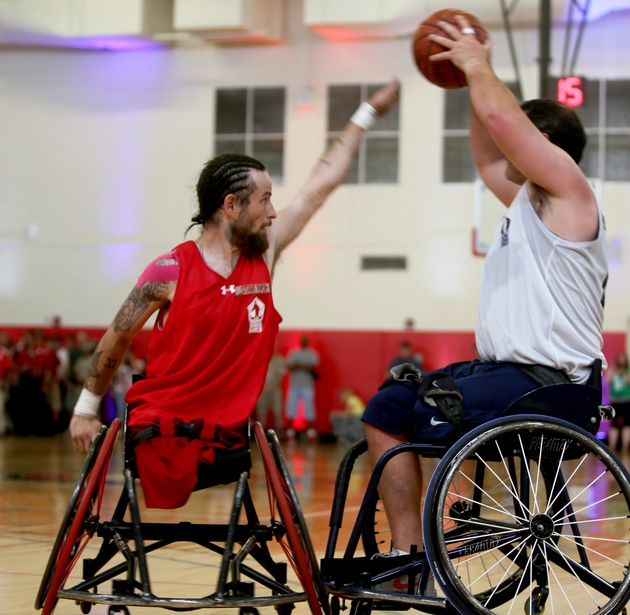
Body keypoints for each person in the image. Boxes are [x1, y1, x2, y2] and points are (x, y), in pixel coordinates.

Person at [68, 80, 401, 511]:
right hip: (165, 424)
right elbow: (117, 336)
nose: (273, 211)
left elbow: (321, 183)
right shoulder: (170, 269)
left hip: (228, 428)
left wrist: (366, 113)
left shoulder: (264, 253)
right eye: (263, 200)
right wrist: (85, 408)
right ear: (231, 206)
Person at [361, 14, 607, 582]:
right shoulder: (526, 202)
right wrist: (464, 80)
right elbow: (486, 154)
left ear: (543, 147)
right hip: (508, 375)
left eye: (517, 139)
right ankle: (408, 558)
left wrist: (478, 63)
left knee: (414, 412)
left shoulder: (570, 193)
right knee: (385, 410)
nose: (504, 147)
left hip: (551, 385)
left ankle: (423, 559)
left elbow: (501, 119)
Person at [285, 335, 319, 439]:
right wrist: (304, 366)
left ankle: (310, 430)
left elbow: (313, 367)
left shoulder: (312, 354)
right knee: (291, 406)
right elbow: (289, 366)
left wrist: (298, 365)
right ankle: (290, 429)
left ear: (307, 342)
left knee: (309, 407)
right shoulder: (293, 353)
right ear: (300, 341)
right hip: (294, 385)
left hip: (307, 385)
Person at [605, 351, 630, 455]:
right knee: (614, 425)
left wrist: (625, 374)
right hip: (615, 400)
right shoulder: (613, 369)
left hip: (626, 400)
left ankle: (625, 447)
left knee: (627, 424)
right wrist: (615, 371)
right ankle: (612, 447)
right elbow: (607, 381)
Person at [255, 349, 286, 431]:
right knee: (261, 411)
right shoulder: (260, 358)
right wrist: (264, 386)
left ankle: (279, 432)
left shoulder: (280, 360)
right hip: (262, 389)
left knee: (277, 410)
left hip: (275, 390)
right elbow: (257, 374)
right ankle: (262, 434)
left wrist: (272, 386)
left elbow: (281, 375)